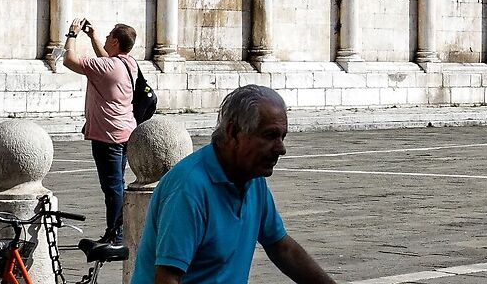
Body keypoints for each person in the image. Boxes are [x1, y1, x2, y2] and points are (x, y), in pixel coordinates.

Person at [130, 85, 339, 284]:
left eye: (282, 137)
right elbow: (167, 278)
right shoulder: (189, 188)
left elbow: (281, 247)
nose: (281, 148)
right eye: (270, 136)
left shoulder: (253, 179)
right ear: (233, 132)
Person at [62, 18, 142, 243]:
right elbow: (107, 60)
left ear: (115, 42)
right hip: (125, 131)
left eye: (108, 36)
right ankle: (118, 230)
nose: (105, 38)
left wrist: (72, 34)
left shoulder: (108, 67)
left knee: (112, 187)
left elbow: (69, 60)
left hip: (107, 135)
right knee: (118, 184)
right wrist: (94, 36)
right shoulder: (128, 63)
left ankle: (115, 235)